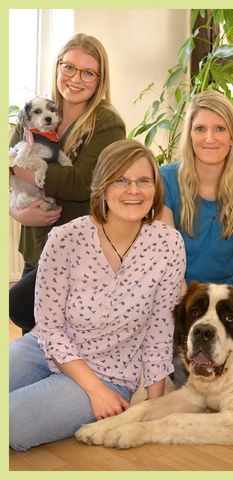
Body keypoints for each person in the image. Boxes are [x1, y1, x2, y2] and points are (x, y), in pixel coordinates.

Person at [9, 139, 186, 451]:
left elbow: (159, 333)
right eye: (121, 180)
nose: (134, 190)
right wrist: (93, 391)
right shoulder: (66, 238)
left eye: (144, 181)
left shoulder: (168, 245)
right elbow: (49, 327)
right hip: (44, 349)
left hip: (110, 373)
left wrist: (150, 410)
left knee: (10, 424)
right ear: (102, 186)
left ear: (156, 188)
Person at [9, 33, 126, 334]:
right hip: (36, 247)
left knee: (60, 340)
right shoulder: (35, 109)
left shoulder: (107, 123)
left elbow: (81, 183)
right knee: (32, 341)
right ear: (58, 66)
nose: (75, 79)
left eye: (88, 73)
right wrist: (18, 212)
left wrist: (19, 169)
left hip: (78, 257)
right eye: (69, 67)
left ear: (100, 78)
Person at [160, 90, 233, 312]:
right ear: (189, 135)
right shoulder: (165, 181)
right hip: (173, 299)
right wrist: (190, 311)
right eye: (200, 129)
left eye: (220, 129)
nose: (209, 138)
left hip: (224, 303)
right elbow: (169, 262)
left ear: (232, 137)